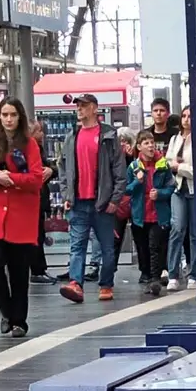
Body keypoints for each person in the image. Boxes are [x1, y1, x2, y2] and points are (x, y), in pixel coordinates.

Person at [0, 97, 46, 337]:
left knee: (18, 271)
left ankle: (19, 320)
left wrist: (12, 179)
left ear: (20, 118)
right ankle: (6, 311)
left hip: (21, 215)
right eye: (4, 115)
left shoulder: (29, 144)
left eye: (13, 115)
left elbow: (36, 179)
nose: (8, 119)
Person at [57, 92, 130, 304]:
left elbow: (119, 169)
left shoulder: (108, 136)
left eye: (84, 106)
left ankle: (106, 284)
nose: (79, 109)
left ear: (95, 109)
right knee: (77, 245)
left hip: (103, 203)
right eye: (78, 106)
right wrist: (66, 194)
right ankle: (75, 284)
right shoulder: (72, 136)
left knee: (107, 248)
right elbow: (63, 166)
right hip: (78, 202)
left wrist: (115, 200)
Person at [165, 106, 196, 291]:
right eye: (183, 116)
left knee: (195, 233)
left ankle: (195, 274)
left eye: (190, 116)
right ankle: (172, 273)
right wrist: (178, 166)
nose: (186, 119)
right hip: (178, 189)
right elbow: (168, 162)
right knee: (177, 228)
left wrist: (179, 167)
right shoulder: (174, 139)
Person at [127, 129, 173, 296]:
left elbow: (171, 187)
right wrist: (137, 183)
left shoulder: (162, 165)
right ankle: (146, 274)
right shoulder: (133, 167)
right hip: (140, 214)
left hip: (158, 213)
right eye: (146, 143)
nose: (151, 146)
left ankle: (154, 278)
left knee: (155, 245)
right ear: (139, 147)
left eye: (152, 142)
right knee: (142, 246)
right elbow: (127, 189)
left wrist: (159, 194)